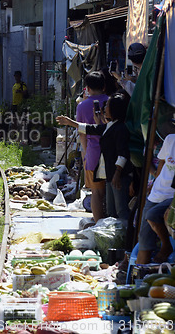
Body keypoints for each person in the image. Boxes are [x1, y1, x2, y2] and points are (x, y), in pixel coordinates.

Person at [57, 92, 133, 224]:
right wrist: (70, 122)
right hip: (110, 174)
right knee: (111, 210)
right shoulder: (110, 126)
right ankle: (114, 237)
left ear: (114, 109)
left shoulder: (120, 129)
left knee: (121, 210)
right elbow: (91, 128)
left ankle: (125, 239)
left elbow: (123, 153)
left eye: (107, 105)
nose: (104, 108)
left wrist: (117, 173)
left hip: (117, 176)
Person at [76, 71, 109, 222]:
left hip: (93, 153)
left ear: (87, 88)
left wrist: (85, 153)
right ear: (104, 86)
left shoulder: (82, 106)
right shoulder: (111, 101)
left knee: (96, 192)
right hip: (112, 152)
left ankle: (98, 225)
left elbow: (82, 133)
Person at [137, 133, 175, 264]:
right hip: (157, 193)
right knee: (144, 241)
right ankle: (139, 280)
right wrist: (154, 183)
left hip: (171, 196)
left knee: (152, 215)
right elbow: (162, 163)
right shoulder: (170, 139)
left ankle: (166, 246)